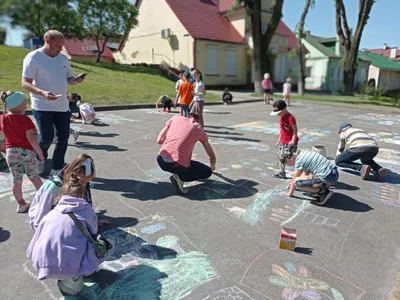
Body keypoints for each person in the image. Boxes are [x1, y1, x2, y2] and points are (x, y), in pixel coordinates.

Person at [26, 179, 114, 296]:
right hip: (66, 267)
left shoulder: (50, 214)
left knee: (69, 244)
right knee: (108, 245)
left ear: (60, 196)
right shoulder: (87, 210)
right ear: (83, 196)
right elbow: (93, 233)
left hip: (42, 264)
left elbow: (36, 238)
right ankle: (73, 278)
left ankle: (70, 275)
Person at [22, 30, 85, 176]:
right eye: (58, 45)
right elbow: (25, 83)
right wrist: (43, 93)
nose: (61, 48)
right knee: (46, 137)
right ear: (47, 41)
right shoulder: (33, 57)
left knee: (63, 137)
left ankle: (57, 167)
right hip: (42, 104)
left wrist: (76, 80)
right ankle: (38, 157)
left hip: (62, 105)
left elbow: (70, 79)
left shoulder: (63, 59)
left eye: (62, 45)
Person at [28, 153, 110, 231]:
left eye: (87, 182)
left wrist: (92, 222)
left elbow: (84, 205)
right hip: (43, 223)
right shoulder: (53, 187)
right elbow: (39, 219)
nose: (84, 185)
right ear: (72, 175)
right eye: (83, 181)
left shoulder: (80, 183)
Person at [0, 91, 44, 213]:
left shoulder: (2, 118)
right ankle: (45, 200)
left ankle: (21, 205)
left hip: (11, 153)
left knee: (16, 179)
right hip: (27, 152)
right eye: (24, 103)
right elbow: (32, 140)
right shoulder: (25, 120)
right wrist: (40, 153)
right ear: (16, 105)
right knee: (34, 176)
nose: (26, 105)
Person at [156, 112, 216, 194]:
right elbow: (209, 151)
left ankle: (178, 173)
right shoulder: (198, 128)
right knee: (207, 172)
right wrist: (213, 163)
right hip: (178, 165)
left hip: (161, 160)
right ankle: (180, 177)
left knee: (187, 162)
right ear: (197, 120)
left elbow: (159, 140)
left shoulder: (175, 118)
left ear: (187, 116)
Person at [270, 100, 299, 179]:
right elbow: (282, 130)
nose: (278, 114)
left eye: (279, 112)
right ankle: (282, 171)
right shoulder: (281, 117)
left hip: (290, 142)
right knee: (280, 157)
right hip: (283, 141)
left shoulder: (290, 118)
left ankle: (300, 170)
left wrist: (293, 140)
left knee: (288, 158)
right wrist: (279, 139)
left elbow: (295, 130)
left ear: (284, 109)